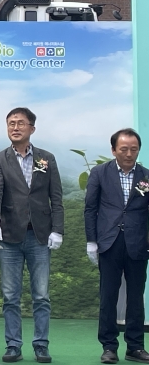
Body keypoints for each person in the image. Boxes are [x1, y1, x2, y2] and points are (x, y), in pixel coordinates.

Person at [0, 107, 63, 364]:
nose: (15, 127)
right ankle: (13, 345)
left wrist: (57, 229)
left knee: (41, 295)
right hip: (9, 235)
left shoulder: (46, 158)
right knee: (10, 296)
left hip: (40, 236)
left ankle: (41, 345)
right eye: (11, 123)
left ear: (32, 128)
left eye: (20, 123)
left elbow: (56, 197)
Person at [84, 128, 149, 364]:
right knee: (108, 296)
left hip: (138, 243)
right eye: (124, 149)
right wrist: (92, 241)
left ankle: (135, 347)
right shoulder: (99, 173)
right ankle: (109, 346)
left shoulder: (146, 176)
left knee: (136, 297)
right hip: (109, 242)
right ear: (113, 150)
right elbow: (90, 208)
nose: (129, 154)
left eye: (134, 149)